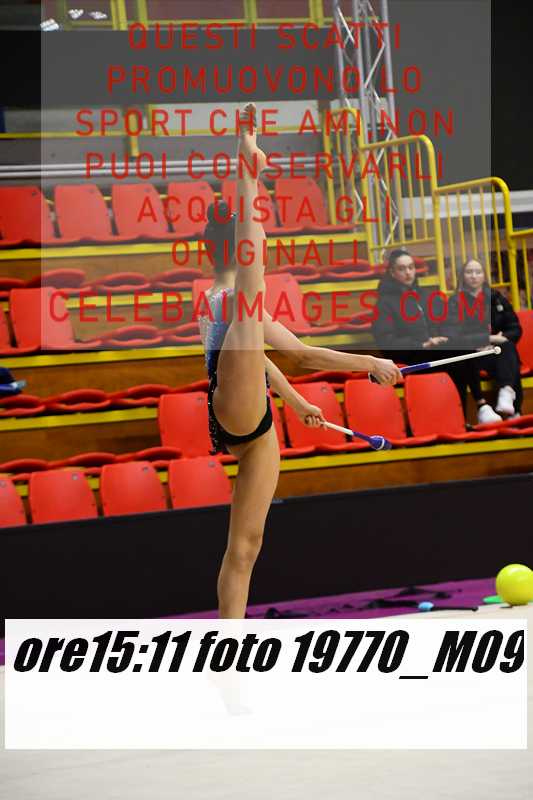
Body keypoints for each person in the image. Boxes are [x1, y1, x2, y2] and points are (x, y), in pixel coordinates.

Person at [198, 103, 402, 619]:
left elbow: (265, 365)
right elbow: (303, 356)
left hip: (249, 417)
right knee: (252, 287)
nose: (265, 241)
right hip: (235, 402)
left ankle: (228, 640)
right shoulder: (232, 299)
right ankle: (247, 168)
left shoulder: (219, 303)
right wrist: (370, 363)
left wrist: (293, 402)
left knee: (246, 546)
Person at [441, 258, 523, 420]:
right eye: (469, 272)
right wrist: (487, 339)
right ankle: (484, 409)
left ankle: (509, 399)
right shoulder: (455, 302)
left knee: (508, 347)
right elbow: (453, 336)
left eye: (478, 272)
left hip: (496, 352)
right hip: (473, 354)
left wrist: (501, 339)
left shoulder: (496, 298)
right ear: (462, 276)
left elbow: (515, 328)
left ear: (484, 276)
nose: (474, 276)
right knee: (470, 353)